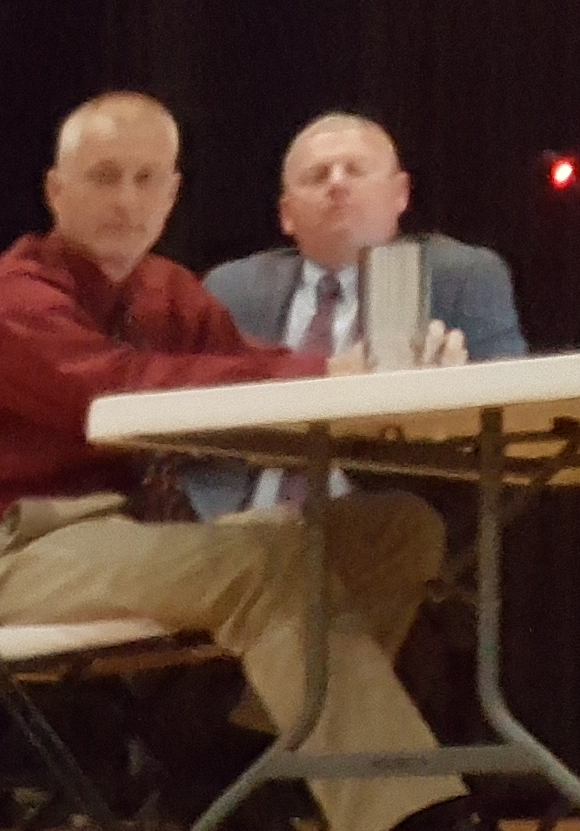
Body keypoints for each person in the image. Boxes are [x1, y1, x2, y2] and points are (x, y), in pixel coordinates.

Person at [0, 90, 568, 831]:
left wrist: (401, 374)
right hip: (0, 559)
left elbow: (252, 372)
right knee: (267, 561)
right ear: (55, 192)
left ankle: (246, 780)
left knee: (397, 529)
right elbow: (118, 392)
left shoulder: (165, 293)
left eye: (147, 179)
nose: (126, 200)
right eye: (104, 177)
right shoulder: (12, 300)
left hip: (110, 540)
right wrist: (326, 374)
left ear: (174, 194)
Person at [183, 110, 528, 522]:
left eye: (355, 170)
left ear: (400, 194)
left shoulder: (462, 276)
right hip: (236, 524)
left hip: (386, 518)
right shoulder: (234, 288)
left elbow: (512, 421)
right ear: (286, 214)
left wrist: (448, 389)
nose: (337, 183)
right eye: (317, 176)